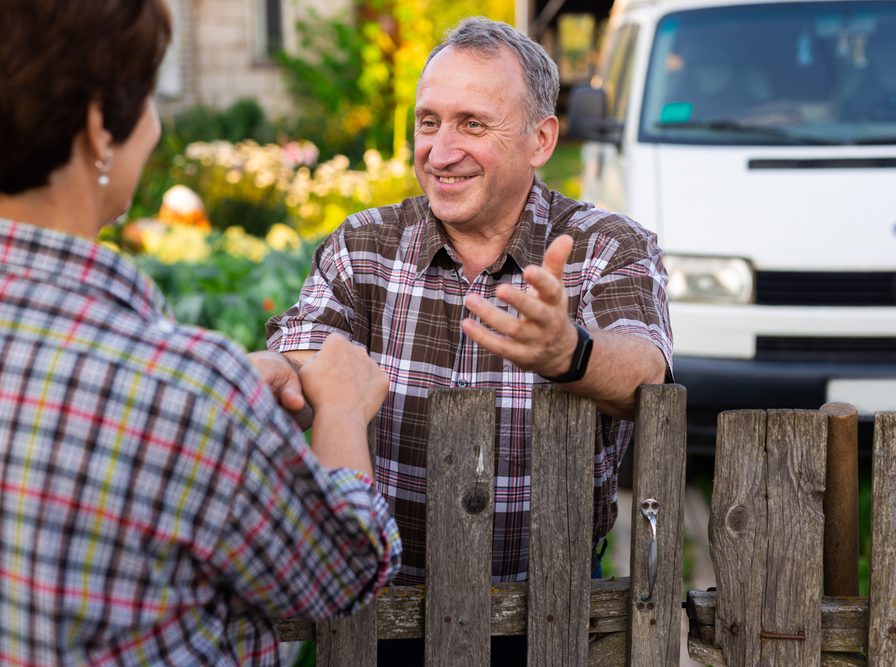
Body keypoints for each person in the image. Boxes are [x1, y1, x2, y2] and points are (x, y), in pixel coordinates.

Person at [0, 2, 400, 666]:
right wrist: (345, 408)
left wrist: (207, 391)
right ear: (100, 127)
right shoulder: (188, 396)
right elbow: (345, 568)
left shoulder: (185, 392)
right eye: (147, 95)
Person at [259, 16, 672, 665]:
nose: (441, 150)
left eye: (472, 124)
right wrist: (276, 364)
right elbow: (301, 354)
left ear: (540, 139)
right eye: (429, 122)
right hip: (381, 609)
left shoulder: (605, 247)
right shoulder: (363, 245)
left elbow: (648, 373)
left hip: (551, 608)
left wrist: (571, 352)